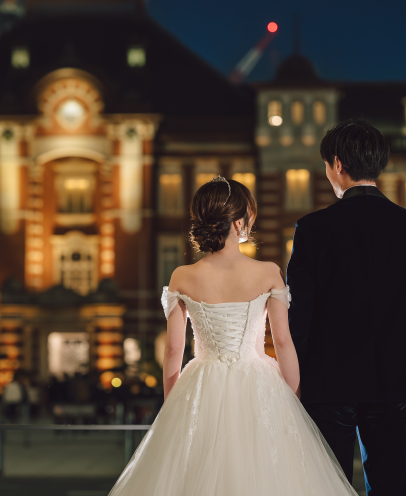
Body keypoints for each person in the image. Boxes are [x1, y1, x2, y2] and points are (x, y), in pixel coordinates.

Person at [108, 177, 356, 496]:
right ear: (239, 222)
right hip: (258, 380)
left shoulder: (182, 276)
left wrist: (172, 404)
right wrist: (293, 398)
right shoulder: (267, 272)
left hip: (201, 380)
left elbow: (173, 350)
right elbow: (283, 342)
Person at [287, 119, 406, 495]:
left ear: (337, 165)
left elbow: (299, 316)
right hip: (393, 380)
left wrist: (296, 377)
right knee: (390, 488)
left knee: (327, 488)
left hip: (326, 384)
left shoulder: (312, 229)